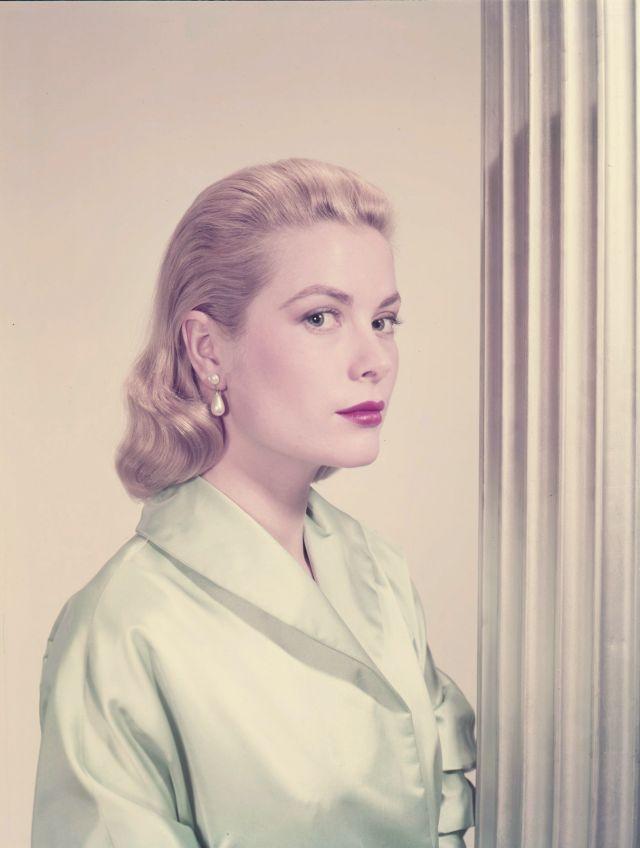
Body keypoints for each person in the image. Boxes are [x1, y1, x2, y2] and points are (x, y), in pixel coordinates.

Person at [31, 158, 476, 848]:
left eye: (384, 320)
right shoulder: (124, 627)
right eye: (321, 317)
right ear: (208, 349)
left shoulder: (377, 570)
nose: (375, 360)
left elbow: (444, 802)